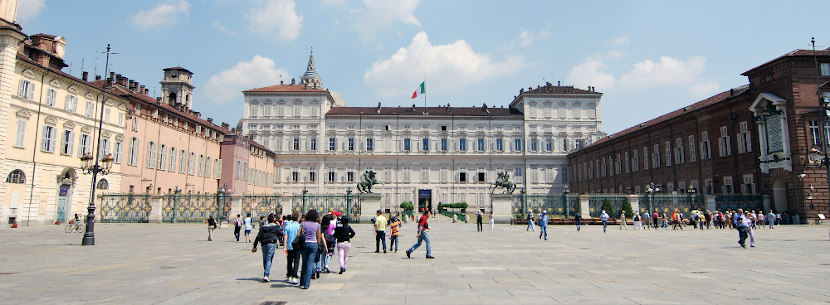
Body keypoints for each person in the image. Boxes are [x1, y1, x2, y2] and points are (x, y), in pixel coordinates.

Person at [299, 209, 326, 289]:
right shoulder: (317, 225)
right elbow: (319, 237)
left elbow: (298, 234)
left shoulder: (303, 224)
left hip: (304, 243)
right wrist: (317, 244)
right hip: (313, 244)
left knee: (304, 262)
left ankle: (302, 282)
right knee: (310, 264)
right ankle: (307, 284)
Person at [252, 214, 282, 283]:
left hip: (264, 244)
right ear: (273, 220)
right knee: (269, 259)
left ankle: (266, 272)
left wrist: (254, 246)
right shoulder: (275, 227)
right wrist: (279, 226)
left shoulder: (263, 227)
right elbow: (281, 233)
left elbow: (258, 236)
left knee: (265, 259)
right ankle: (266, 274)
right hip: (271, 243)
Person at [283, 214, 301, 284]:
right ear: (298, 218)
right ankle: (294, 276)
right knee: (296, 261)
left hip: (290, 246)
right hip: (297, 246)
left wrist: (284, 247)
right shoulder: (300, 226)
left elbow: (285, 237)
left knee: (289, 261)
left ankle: (289, 275)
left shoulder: (288, 227)